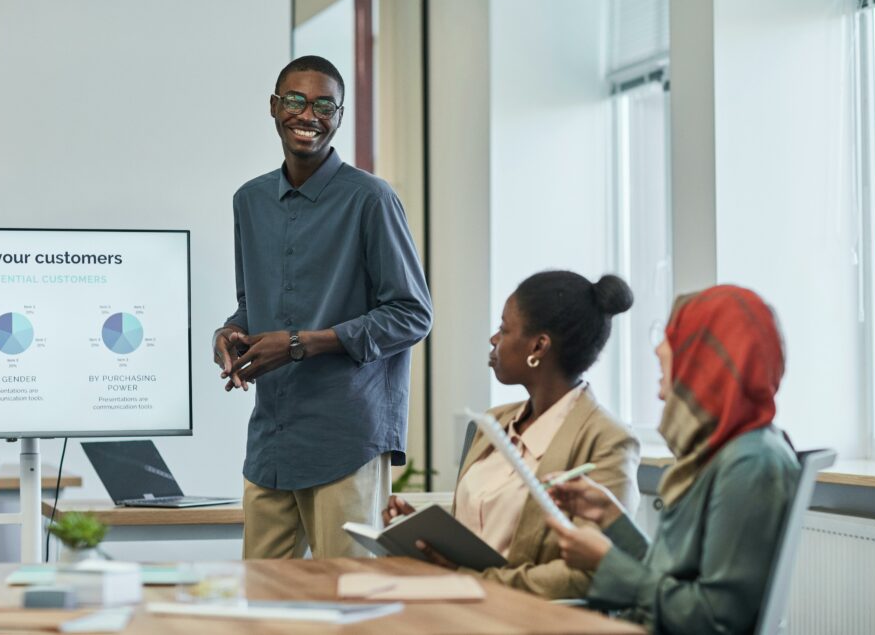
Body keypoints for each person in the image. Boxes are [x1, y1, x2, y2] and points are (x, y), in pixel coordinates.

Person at [213, 55, 433, 560]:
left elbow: (412, 313)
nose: (307, 115)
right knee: (263, 605)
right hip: (272, 439)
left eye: (323, 105)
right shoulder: (249, 201)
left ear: (338, 115)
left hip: (346, 439)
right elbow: (253, 305)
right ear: (274, 107)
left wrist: (298, 345)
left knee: (347, 603)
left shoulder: (371, 199)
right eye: (295, 100)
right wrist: (231, 333)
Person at [547, 285, 800, 634]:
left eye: (673, 335)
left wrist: (606, 564)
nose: (659, 347)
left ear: (705, 359)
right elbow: (674, 579)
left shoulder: (749, 464)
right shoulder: (724, 450)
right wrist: (610, 518)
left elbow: (714, 620)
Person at [384, 270, 640, 599]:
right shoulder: (494, 422)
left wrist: (474, 582)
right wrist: (422, 534)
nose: (494, 339)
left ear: (539, 346)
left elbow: (588, 575)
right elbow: (479, 536)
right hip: (457, 606)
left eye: (504, 329)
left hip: (524, 618)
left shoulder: (608, 440)